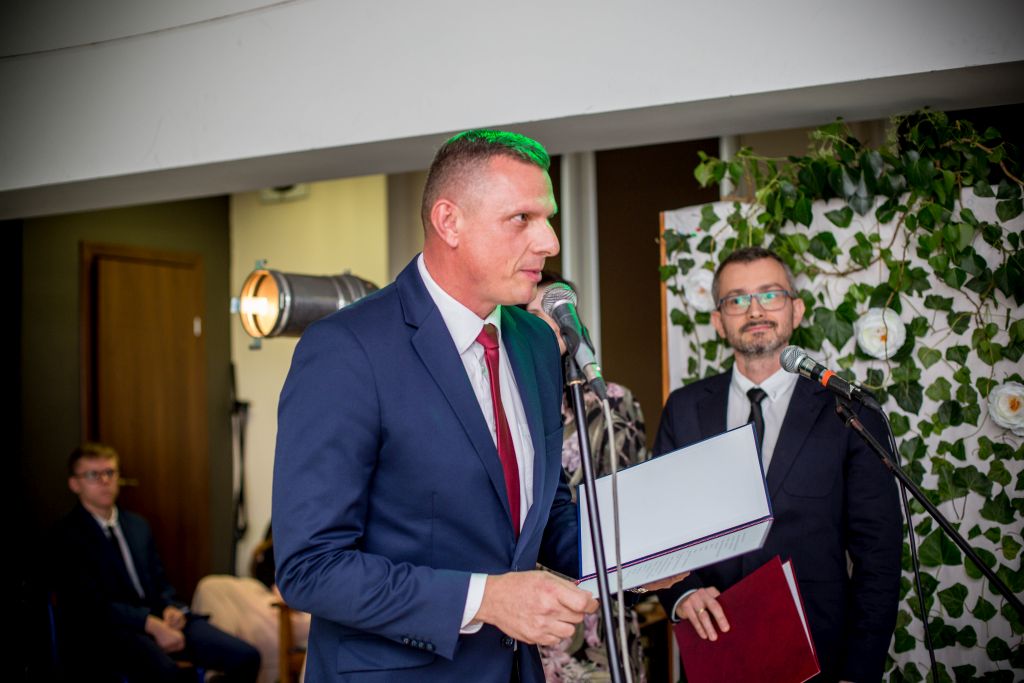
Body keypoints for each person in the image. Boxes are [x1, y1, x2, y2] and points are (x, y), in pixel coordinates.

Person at [272, 129, 598, 682]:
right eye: (522, 218)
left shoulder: (536, 343)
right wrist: (486, 600)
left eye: (548, 219)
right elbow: (311, 568)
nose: (549, 242)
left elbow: (546, 518)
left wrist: (638, 553)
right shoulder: (346, 349)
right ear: (450, 222)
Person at [653, 247, 902, 683]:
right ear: (718, 320)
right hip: (715, 652)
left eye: (770, 295)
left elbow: (878, 555)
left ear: (796, 310)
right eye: (737, 299)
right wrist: (682, 593)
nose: (755, 310)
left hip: (822, 656)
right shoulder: (684, 409)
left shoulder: (849, 411)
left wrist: (858, 672)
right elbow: (661, 528)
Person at [525, 273, 652, 682]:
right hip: (530, 609)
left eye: (560, 314)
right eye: (535, 314)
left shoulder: (613, 402)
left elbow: (635, 496)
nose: (550, 325)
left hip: (600, 603)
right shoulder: (511, 401)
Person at [51, 442, 261, 682]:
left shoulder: (137, 525)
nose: (104, 481)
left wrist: (171, 608)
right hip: (110, 630)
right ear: (75, 484)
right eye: (93, 475)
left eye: (110, 472)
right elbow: (89, 604)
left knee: (247, 656)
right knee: (168, 673)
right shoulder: (66, 535)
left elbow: (160, 582)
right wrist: (148, 623)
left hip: (158, 616)